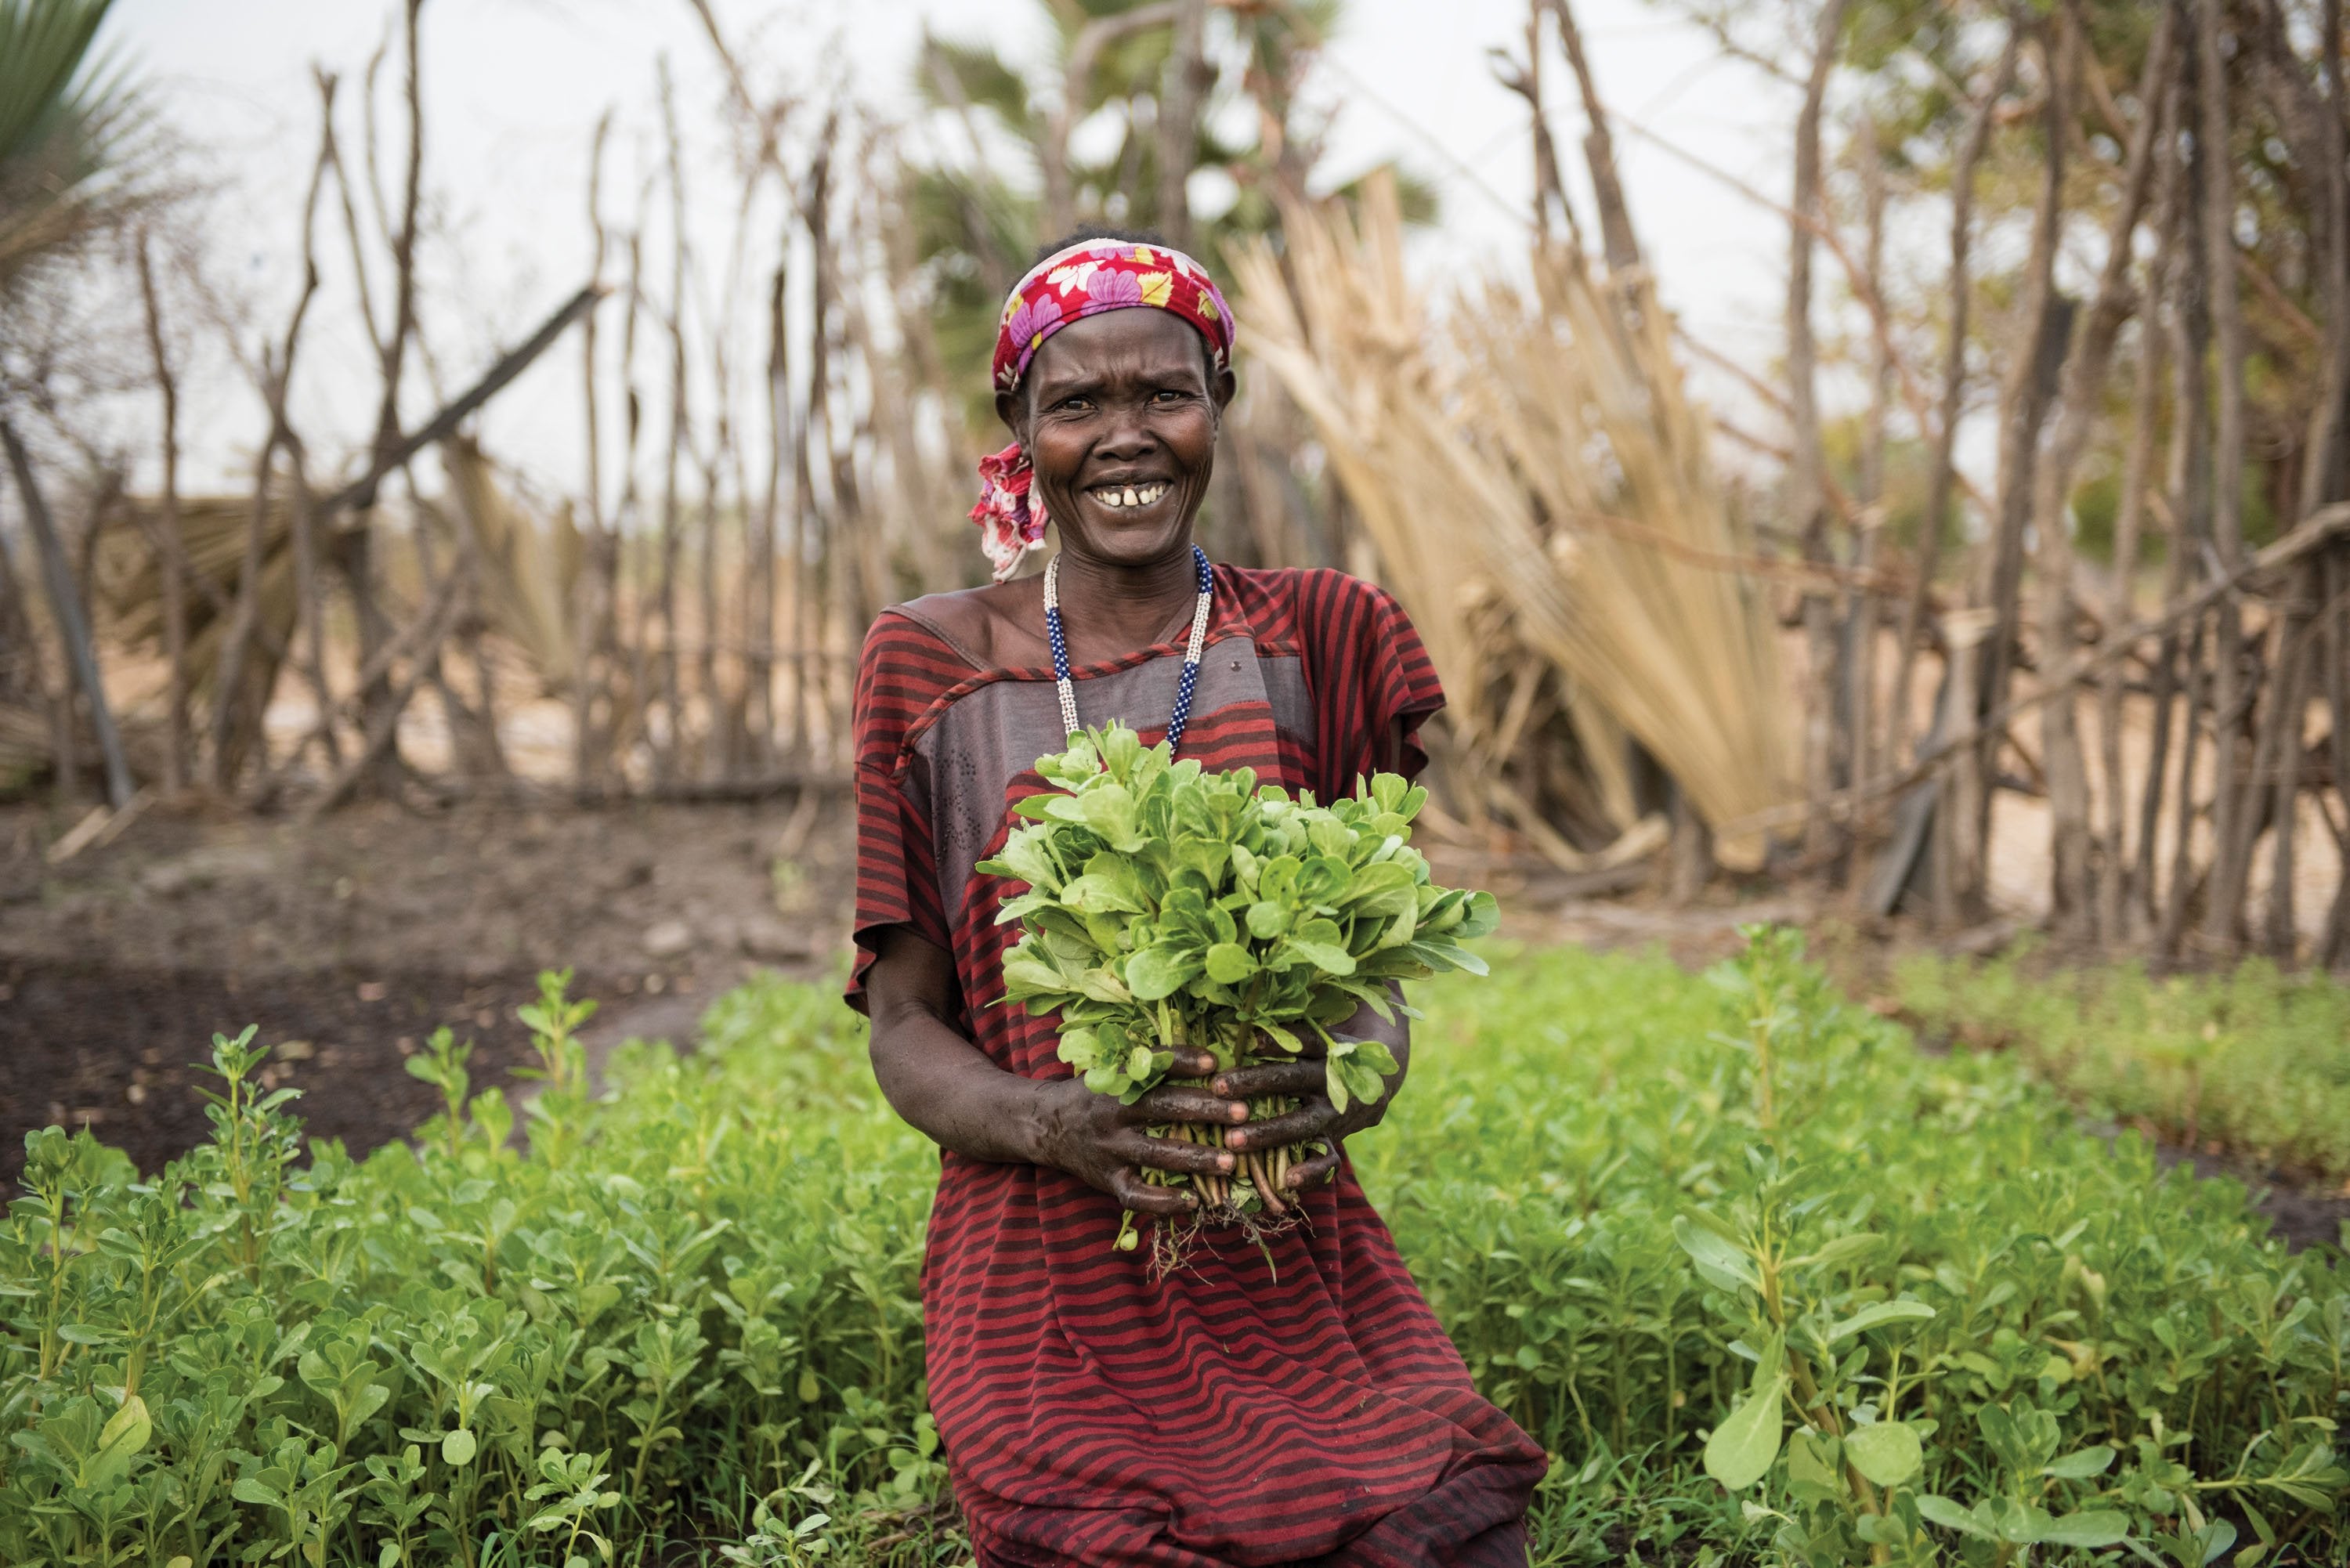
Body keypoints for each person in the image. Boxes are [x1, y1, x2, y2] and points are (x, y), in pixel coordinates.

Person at [849, 229, 1545, 1568]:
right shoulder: (931, 660)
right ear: (1021, 426)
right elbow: (901, 1023)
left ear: (1217, 405)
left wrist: (1354, 1077)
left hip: (1288, 1253)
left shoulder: (1323, 632)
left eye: (1164, 394)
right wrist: (1055, 1121)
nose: (1127, 437)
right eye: (1078, 404)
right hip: (1048, 1274)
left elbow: (1367, 976)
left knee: (1453, 1535)